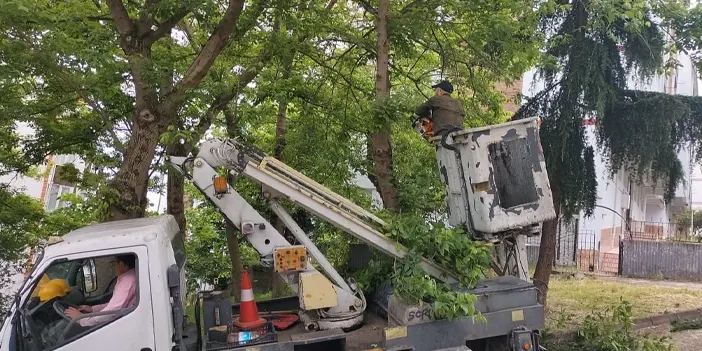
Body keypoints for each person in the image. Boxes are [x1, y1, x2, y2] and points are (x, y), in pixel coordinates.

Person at [64, 254, 137, 327]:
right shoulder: (128, 278)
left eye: (114, 263)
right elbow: (114, 304)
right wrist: (92, 309)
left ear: (122, 265)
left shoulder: (128, 281)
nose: (113, 267)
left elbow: (112, 311)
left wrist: (82, 319)